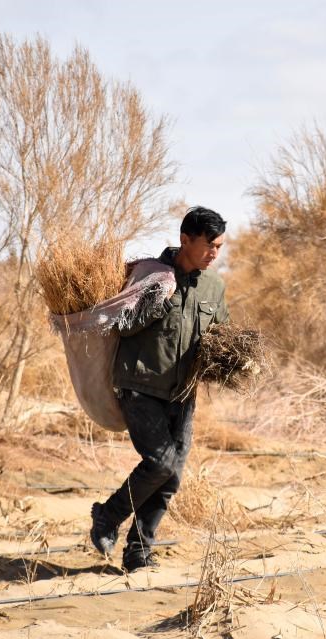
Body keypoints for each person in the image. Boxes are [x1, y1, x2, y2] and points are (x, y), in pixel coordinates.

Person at [89, 206, 229, 571]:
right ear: (185, 240)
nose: (214, 253)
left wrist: (230, 358)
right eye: (209, 245)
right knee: (161, 463)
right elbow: (121, 326)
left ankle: (138, 552)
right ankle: (108, 515)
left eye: (219, 246)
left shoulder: (214, 286)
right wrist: (156, 303)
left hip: (182, 394)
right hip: (139, 385)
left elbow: (220, 334)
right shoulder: (149, 275)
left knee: (171, 475)